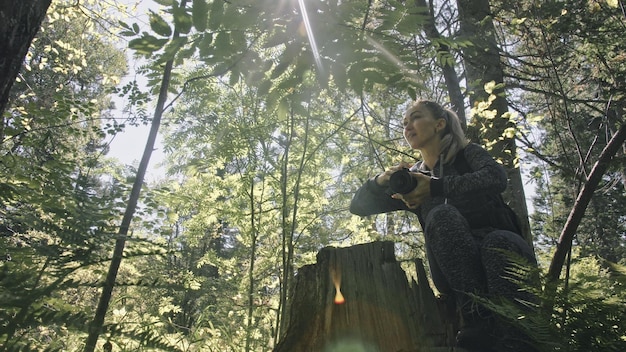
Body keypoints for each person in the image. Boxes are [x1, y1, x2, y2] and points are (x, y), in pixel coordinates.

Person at [349, 100, 538, 352]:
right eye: (404, 123)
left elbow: (496, 177)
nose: (408, 126)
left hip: (503, 251)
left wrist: (437, 186)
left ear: (439, 124)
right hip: (454, 272)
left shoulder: (467, 155)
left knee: (496, 244)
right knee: (441, 216)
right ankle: (476, 321)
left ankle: (518, 340)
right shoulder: (412, 180)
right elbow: (358, 206)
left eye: (415, 118)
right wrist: (381, 180)